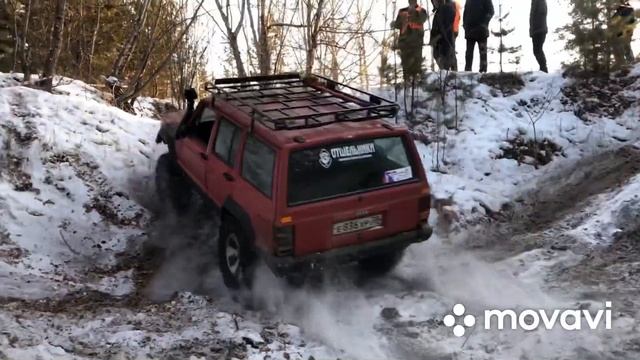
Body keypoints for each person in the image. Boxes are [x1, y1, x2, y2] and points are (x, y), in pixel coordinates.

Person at [392, 0, 429, 81]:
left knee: (416, 65)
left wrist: (412, 14)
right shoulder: (402, 11)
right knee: (406, 65)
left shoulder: (421, 10)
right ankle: (407, 82)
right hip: (404, 42)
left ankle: (415, 83)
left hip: (416, 42)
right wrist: (395, 23)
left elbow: (422, 19)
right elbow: (397, 24)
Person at [463, 0, 494, 73]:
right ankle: (467, 71)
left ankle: (483, 72)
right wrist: (465, 24)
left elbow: (491, 11)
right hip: (470, 30)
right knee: (468, 54)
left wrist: (484, 23)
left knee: (483, 52)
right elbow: (465, 12)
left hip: (481, 30)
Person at [429, 0, 456, 70]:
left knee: (448, 60)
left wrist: (439, 36)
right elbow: (435, 27)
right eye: (433, 1)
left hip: (446, 40)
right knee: (438, 57)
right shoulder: (438, 11)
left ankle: (451, 74)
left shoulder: (448, 8)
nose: (434, 3)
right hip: (438, 42)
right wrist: (432, 38)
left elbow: (447, 26)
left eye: (435, 1)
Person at [611, 0, 637, 65]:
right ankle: (625, 62)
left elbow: (630, 20)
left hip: (627, 30)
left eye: (615, 3)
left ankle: (630, 61)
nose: (614, 5)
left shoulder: (627, 9)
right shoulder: (618, 12)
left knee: (626, 45)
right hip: (622, 31)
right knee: (622, 46)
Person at [530, 0, 548, 73]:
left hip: (539, 29)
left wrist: (537, 26)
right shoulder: (534, 1)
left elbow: (542, 12)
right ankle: (543, 68)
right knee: (537, 50)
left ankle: (543, 69)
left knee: (538, 49)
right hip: (536, 30)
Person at [452, 0, 462, 70]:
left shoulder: (452, 5)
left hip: (452, 31)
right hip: (454, 30)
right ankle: (454, 69)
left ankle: (454, 69)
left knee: (451, 50)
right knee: (451, 49)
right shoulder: (456, 4)